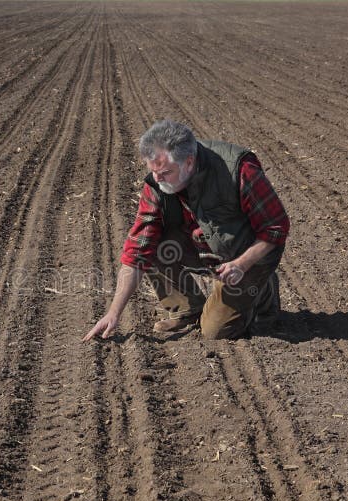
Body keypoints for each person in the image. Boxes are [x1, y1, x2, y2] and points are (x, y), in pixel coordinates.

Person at [83, 119, 289, 341]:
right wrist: (113, 313)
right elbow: (138, 251)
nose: (157, 179)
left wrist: (242, 264)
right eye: (153, 171)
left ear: (189, 163)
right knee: (152, 245)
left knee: (215, 332)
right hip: (205, 246)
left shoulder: (238, 170)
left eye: (165, 172)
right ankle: (189, 308)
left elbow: (275, 227)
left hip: (246, 254)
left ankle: (263, 290)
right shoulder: (157, 185)